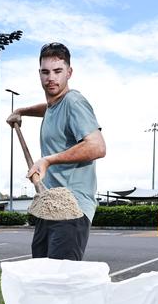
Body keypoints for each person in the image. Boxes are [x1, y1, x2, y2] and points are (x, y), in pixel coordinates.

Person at [6, 42, 106, 261]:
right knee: (40, 276)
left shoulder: (74, 102)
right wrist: (21, 110)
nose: (51, 78)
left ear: (69, 73)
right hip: (49, 203)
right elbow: (48, 108)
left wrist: (48, 161)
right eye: (45, 72)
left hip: (71, 207)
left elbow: (97, 146)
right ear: (39, 74)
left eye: (58, 71)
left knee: (59, 283)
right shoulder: (55, 105)